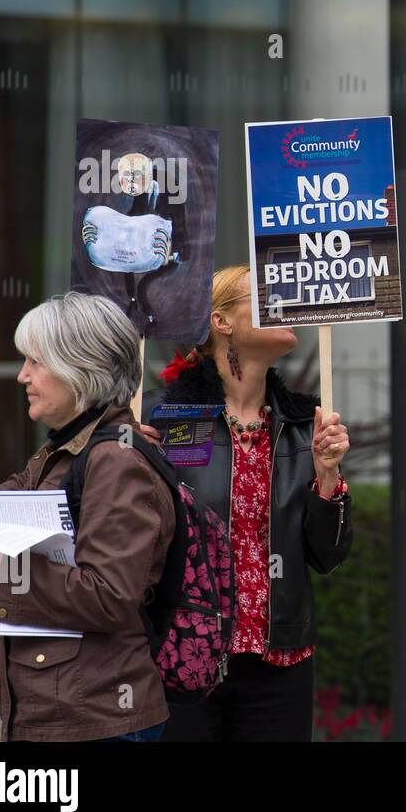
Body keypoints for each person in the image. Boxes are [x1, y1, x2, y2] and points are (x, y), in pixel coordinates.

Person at [0, 292, 176, 741]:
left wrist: (8, 572)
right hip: (67, 717)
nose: (23, 375)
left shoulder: (115, 462)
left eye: (35, 362)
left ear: (80, 368)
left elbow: (110, 595)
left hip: (99, 722)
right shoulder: (60, 455)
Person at [141, 264, 353, 742]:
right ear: (221, 322)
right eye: (265, 296)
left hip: (280, 659)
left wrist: (327, 476)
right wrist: (130, 458)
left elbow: (328, 556)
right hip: (186, 650)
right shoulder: (161, 418)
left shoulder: (306, 425)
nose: (284, 303)